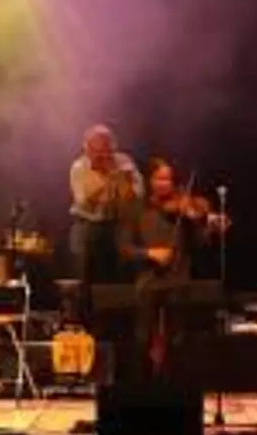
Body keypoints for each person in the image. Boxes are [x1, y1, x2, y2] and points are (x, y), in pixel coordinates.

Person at [117, 158, 222, 379]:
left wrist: (209, 229)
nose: (166, 184)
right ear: (149, 180)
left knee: (178, 339)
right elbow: (124, 248)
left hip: (178, 278)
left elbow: (198, 243)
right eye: (160, 178)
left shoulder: (184, 208)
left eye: (169, 180)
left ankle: (175, 386)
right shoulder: (135, 208)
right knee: (142, 338)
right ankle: (141, 385)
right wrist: (150, 253)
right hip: (147, 280)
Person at [69, 125, 143, 318]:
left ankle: (116, 321)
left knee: (118, 276)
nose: (102, 155)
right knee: (86, 279)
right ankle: (85, 321)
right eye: (96, 150)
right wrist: (106, 178)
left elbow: (135, 198)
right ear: (86, 149)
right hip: (87, 224)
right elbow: (85, 203)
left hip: (116, 224)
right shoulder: (79, 167)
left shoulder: (124, 162)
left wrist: (121, 178)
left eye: (106, 149)